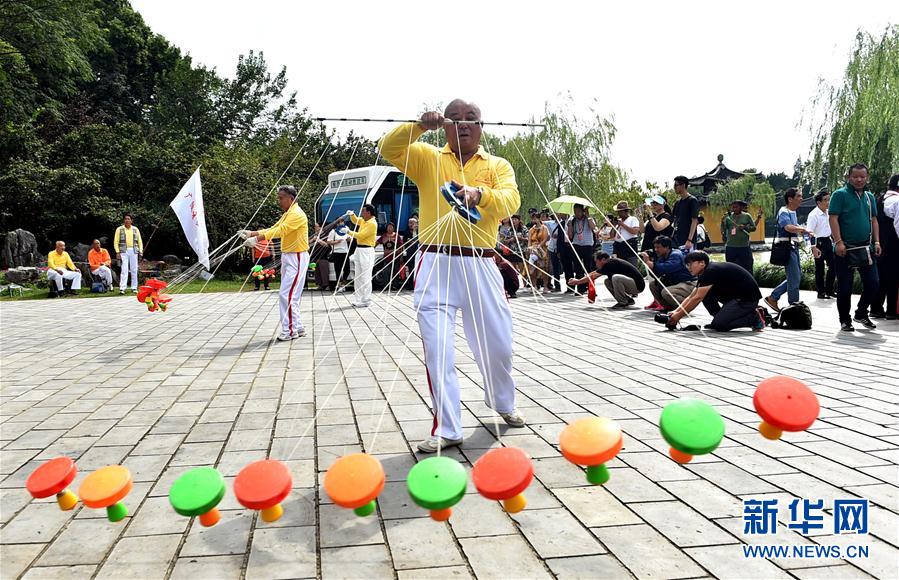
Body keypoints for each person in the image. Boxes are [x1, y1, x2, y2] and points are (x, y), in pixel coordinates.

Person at [378, 100, 525, 453]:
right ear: (443, 125)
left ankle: (502, 402)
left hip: (481, 263)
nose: (462, 126)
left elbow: (512, 200)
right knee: (437, 349)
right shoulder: (429, 158)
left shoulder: (497, 165)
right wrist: (418, 125)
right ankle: (447, 426)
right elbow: (388, 148)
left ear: (482, 127)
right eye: (453, 120)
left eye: (470, 120)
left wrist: (480, 194)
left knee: (498, 344)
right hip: (436, 263)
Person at [242, 185, 310, 341]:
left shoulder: (297, 214)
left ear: (290, 198)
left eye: (281, 198)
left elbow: (282, 230)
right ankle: (297, 326)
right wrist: (253, 233)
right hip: (289, 256)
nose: (279, 201)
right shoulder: (288, 213)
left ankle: (289, 330)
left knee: (286, 294)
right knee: (291, 295)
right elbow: (275, 227)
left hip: (297, 256)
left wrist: (257, 239)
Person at [829, 164, 882, 331]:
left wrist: (877, 242)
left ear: (867, 177)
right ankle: (845, 319)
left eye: (863, 177)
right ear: (848, 177)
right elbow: (833, 218)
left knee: (874, 283)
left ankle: (861, 313)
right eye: (855, 176)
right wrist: (838, 242)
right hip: (845, 248)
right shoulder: (840, 195)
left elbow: (874, 220)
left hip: (866, 248)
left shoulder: (869, 197)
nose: (859, 180)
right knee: (845, 286)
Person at [666, 251, 765, 331]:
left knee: (720, 325)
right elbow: (692, 296)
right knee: (706, 296)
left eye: (690, 264)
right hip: (734, 298)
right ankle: (720, 318)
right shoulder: (705, 272)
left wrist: (678, 317)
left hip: (746, 300)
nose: (688, 268)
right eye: (687, 265)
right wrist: (675, 312)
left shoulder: (710, 271)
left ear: (702, 263)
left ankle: (753, 318)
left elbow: (697, 298)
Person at [765, 188, 807, 311]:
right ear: (790, 199)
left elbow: (794, 229)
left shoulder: (792, 212)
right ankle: (794, 307)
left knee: (796, 276)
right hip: (787, 248)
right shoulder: (784, 211)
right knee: (794, 278)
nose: (801, 198)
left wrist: (802, 232)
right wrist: (803, 229)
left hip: (794, 247)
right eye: (799, 196)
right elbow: (788, 227)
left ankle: (773, 297)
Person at [569, 251, 645, 308]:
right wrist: (578, 280)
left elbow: (594, 276)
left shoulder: (610, 264)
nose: (596, 264)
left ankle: (623, 302)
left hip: (637, 286)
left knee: (616, 278)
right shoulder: (609, 263)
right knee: (608, 281)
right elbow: (593, 273)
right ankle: (628, 300)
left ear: (603, 260)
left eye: (597, 262)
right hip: (631, 283)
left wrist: (578, 282)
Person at [639, 236, 695, 312]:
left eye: (658, 247)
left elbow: (665, 268)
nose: (656, 250)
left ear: (667, 247)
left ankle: (686, 307)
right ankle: (669, 307)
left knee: (666, 292)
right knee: (653, 285)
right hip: (675, 282)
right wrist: (650, 262)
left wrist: (649, 262)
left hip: (688, 283)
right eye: (655, 247)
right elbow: (656, 274)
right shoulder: (663, 256)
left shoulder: (676, 255)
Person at [871, 173, 899, 319]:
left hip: (880, 242)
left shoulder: (880, 199)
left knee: (881, 277)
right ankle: (892, 311)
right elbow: (898, 225)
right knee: (894, 278)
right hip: (894, 244)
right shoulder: (897, 201)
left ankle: (875, 308)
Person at [805, 190, 836, 299]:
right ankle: (820, 292)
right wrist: (813, 247)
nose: (828, 202)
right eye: (825, 200)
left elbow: (831, 228)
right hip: (818, 242)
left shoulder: (828, 213)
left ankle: (829, 290)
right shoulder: (813, 215)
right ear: (818, 202)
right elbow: (810, 233)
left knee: (833, 266)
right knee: (820, 269)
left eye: (829, 199)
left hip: (827, 241)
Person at [345, 204, 378, 307]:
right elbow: (355, 220)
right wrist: (352, 214)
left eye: (363, 211)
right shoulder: (364, 220)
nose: (362, 213)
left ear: (369, 213)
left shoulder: (372, 223)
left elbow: (361, 235)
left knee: (366, 276)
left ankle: (366, 299)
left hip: (367, 251)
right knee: (358, 275)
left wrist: (348, 232)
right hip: (359, 249)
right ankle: (358, 298)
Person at [721, 200, 760, 274]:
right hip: (730, 247)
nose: (734, 209)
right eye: (733, 207)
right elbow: (723, 229)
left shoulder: (747, 216)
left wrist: (745, 227)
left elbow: (754, 228)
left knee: (747, 268)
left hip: (744, 247)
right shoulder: (728, 217)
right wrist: (722, 222)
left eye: (736, 207)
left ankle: (748, 283)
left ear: (741, 207)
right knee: (731, 269)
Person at [567, 203, 597, 294]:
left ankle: (591, 289)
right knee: (578, 268)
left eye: (579, 211)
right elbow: (570, 236)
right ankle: (580, 289)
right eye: (575, 211)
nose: (577, 213)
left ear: (583, 211)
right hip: (577, 244)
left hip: (587, 245)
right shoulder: (573, 220)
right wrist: (569, 226)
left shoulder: (588, 219)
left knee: (588, 267)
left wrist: (588, 216)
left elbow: (593, 227)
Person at [113, 213, 143, 294]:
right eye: (126, 219)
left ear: (131, 220)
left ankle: (134, 287)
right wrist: (117, 251)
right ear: (124, 220)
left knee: (134, 269)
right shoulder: (119, 229)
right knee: (124, 269)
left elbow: (139, 240)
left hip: (134, 250)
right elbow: (116, 241)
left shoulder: (135, 229)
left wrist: (141, 250)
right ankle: (122, 288)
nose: (127, 220)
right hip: (123, 251)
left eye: (129, 219)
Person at [671, 176, 700, 250]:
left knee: (689, 260)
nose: (674, 188)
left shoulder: (692, 200)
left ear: (683, 185)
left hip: (688, 240)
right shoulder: (678, 203)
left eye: (676, 185)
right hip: (678, 239)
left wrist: (689, 240)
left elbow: (694, 221)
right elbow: (674, 219)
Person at [610, 201, 640, 267]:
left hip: (629, 246)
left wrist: (622, 224)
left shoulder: (632, 219)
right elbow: (611, 235)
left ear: (626, 211)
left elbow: (635, 231)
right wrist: (614, 226)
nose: (618, 213)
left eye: (620, 211)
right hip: (619, 247)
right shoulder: (619, 221)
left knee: (630, 266)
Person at [527, 215, 550, 291]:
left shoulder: (544, 228)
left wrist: (539, 246)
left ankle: (545, 286)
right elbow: (529, 240)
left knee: (543, 267)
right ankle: (534, 285)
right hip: (533, 249)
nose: (534, 220)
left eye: (535, 218)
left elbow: (545, 238)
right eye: (532, 218)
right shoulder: (531, 229)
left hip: (542, 249)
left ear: (539, 219)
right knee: (532, 267)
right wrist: (529, 248)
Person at [326, 223, 350, 290]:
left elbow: (349, 240)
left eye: (343, 222)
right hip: (336, 252)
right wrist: (337, 242)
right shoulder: (333, 231)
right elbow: (328, 242)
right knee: (338, 270)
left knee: (347, 269)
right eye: (340, 222)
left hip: (345, 252)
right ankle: (339, 284)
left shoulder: (346, 230)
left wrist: (349, 239)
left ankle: (343, 283)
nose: (341, 224)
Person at [544, 211, 562, 292]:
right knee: (554, 267)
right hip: (552, 247)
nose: (557, 215)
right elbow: (540, 222)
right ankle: (557, 286)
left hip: (562, 247)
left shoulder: (565, 223)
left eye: (558, 213)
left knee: (565, 266)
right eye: (556, 214)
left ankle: (570, 286)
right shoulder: (550, 223)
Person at [311, 222, 332, 291]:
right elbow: (308, 243)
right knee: (317, 272)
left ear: (321, 227)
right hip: (315, 257)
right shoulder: (315, 235)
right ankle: (320, 285)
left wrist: (318, 240)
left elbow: (327, 245)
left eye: (316, 226)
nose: (315, 228)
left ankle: (327, 285)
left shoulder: (326, 235)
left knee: (324, 272)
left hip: (323, 257)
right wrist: (313, 240)